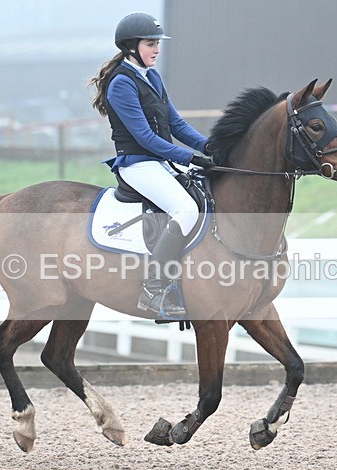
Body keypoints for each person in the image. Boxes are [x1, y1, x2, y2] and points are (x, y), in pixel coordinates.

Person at [89, 12, 214, 317]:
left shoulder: (152, 76)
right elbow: (144, 138)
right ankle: (153, 290)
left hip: (160, 163)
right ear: (131, 46)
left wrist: (211, 146)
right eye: (150, 44)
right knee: (186, 209)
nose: (157, 49)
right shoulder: (121, 83)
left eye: (157, 43)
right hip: (138, 164)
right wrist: (189, 157)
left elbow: (176, 123)